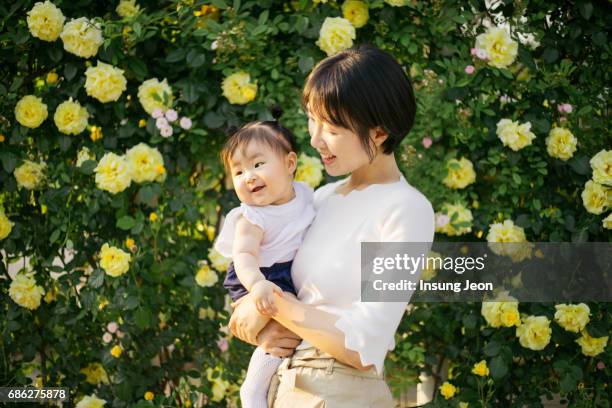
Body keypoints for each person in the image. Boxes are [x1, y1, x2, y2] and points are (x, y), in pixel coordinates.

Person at [229, 45, 435, 407]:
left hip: (340, 389)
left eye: (333, 128)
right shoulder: (319, 199)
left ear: (379, 132)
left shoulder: (407, 209)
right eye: (312, 119)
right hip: (286, 383)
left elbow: (363, 345)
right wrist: (254, 306)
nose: (314, 139)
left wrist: (270, 306)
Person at [214, 112, 316, 408]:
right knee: (277, 338)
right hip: (259, 277)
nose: (249, 177)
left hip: (285, 275)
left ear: (289, 164)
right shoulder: (252, 216)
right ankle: (253, 389)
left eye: (258, 164)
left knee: (291, 334)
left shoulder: (306, 196)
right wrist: (258, 285)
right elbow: (244, 255)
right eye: (239, 171)